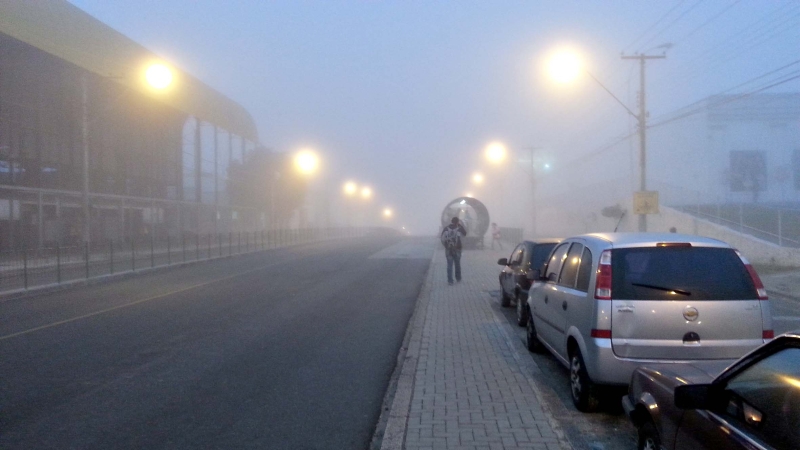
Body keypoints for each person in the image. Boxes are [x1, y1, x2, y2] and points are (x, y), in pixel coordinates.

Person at [441, 216, 467, 285]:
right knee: (457, 264)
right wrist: (460, 225)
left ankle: (450, 281)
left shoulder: (446, 229)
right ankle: (458, 278)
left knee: (449, 265)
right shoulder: (459, 228)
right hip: (457, 249)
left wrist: (446, 246)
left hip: (448, 249)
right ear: (458, 222)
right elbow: (465, 234)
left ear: (451, 221)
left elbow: (442, 239)